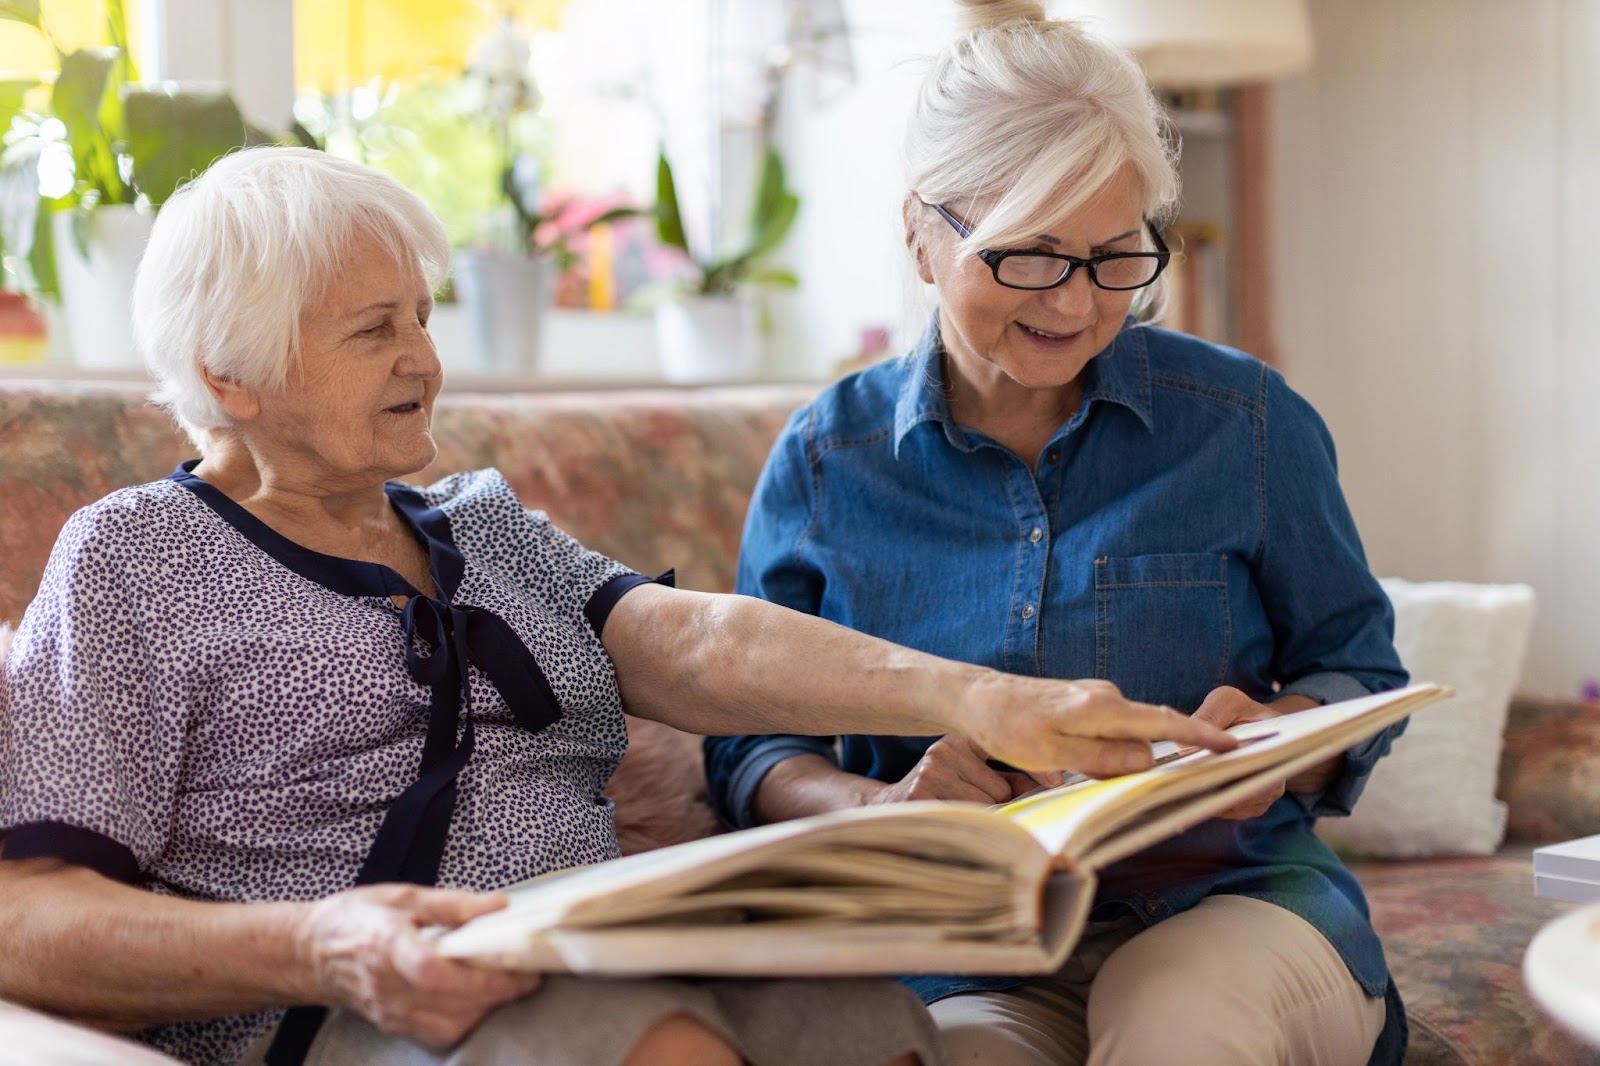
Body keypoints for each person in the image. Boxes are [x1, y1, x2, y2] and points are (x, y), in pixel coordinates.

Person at [0, 147, 1235, 1066]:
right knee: (644, 1045)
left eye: (423, 318)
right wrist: (324, 943)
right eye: (375, 331)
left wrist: (987, 700)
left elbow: (688, 641)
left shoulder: (472, 521)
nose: (425, 360)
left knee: (869, 1028)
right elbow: (25, 915)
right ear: (229, 373)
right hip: (353, 1006)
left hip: (599, 952)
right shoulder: (135, 558)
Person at [704, 3, 1412, 1065]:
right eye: (1028, 255)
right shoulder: (825, 459)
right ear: (919, 235)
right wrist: (881, 803)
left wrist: (1275, 741)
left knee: (1178, 1022)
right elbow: (749, 740)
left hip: (1231, 903)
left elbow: (1358, 667)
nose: (1076, 304)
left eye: (1113, 255)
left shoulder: (1246, 426)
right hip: (958, 944)